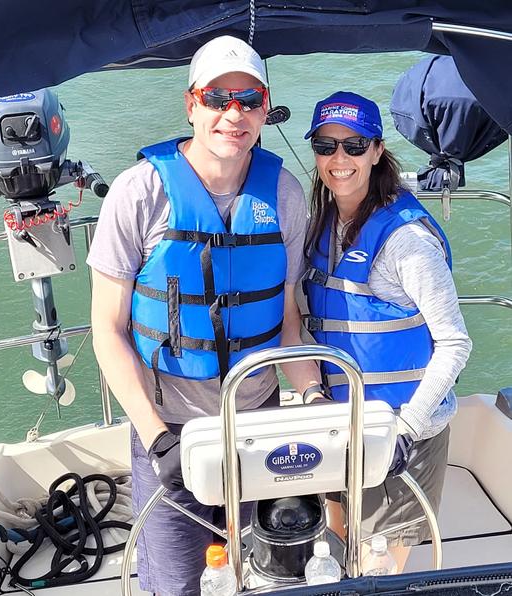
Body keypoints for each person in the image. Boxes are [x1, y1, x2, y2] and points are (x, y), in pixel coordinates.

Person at [86, 35, 321, 596]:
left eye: (249, 99)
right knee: (177, 584)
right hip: (171, 432)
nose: (232, 114)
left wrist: (314, 403)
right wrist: (156, 437)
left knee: (277, 573)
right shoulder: (138, 193)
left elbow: (289, 320)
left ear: (266, 109)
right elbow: (107, 330)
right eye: (217, 98)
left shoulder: (285, 194)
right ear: (191, 104)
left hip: (260, 424)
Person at [301, 91, 472, 569]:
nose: (340, 159)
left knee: (378, 570)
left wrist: (405, 431)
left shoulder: (406, 241)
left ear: (377, 151)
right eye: (326, 145)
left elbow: (455, 343)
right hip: (339, 425)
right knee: (333, 551)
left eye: (355, 146)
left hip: (401, 433)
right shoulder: (324, 222)